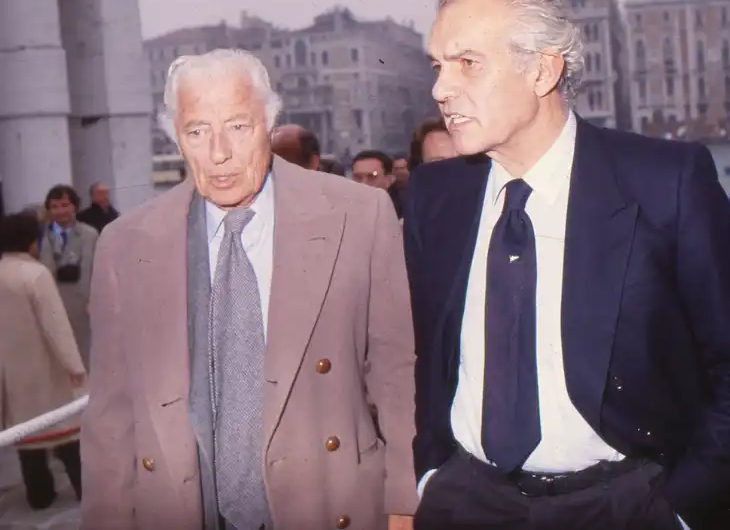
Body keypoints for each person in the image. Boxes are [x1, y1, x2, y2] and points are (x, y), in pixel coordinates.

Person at [404, 0, 730, 530]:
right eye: (438, 65)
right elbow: (434, 361)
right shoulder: (436, 196)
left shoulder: (663, 182)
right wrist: (433, 476)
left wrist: (678, 510)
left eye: (467, 63)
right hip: (468, 503)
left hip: (625, 505)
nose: (440, 88)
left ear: (542, 68)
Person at [81, 49, 417, 530]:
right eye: (197, 132)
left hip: (327, 501)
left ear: (270, 122)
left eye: (238, 127)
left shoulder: (359, 215)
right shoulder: (126, 243)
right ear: (176, 136)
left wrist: (402, 501)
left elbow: (394, 371)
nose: (218, 152)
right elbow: (111, 416)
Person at [0, 212, 85, 510]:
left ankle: (39, 495)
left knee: (27, 435)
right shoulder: (35, 274)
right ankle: (85, 488)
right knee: (65, 432)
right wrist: (74, 366)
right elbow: (56, 325)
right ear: (31, 241)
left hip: (11, 372)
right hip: (45, 366)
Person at [38, 184, 98, 369]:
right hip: (50, 301)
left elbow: (93, 269)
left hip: (81, 302)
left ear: (74, 206)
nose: (60, 211)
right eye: (54, 207)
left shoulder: (90, 234)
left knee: (84, 353)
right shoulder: (41, 236)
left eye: (65, 205)